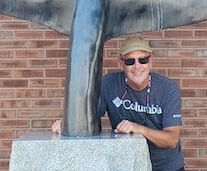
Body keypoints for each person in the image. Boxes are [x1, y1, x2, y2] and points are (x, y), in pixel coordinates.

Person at [52, 36, 185, 171]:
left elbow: (172, 139)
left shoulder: (168, 89)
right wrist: (67, 124)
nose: (137, 66)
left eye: (143, 60)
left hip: (167, 166)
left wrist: (140, 129)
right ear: (120, 63)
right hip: (128, 164)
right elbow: (87, 117)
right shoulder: (108, 83)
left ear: (150, 62)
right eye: (130, 61)